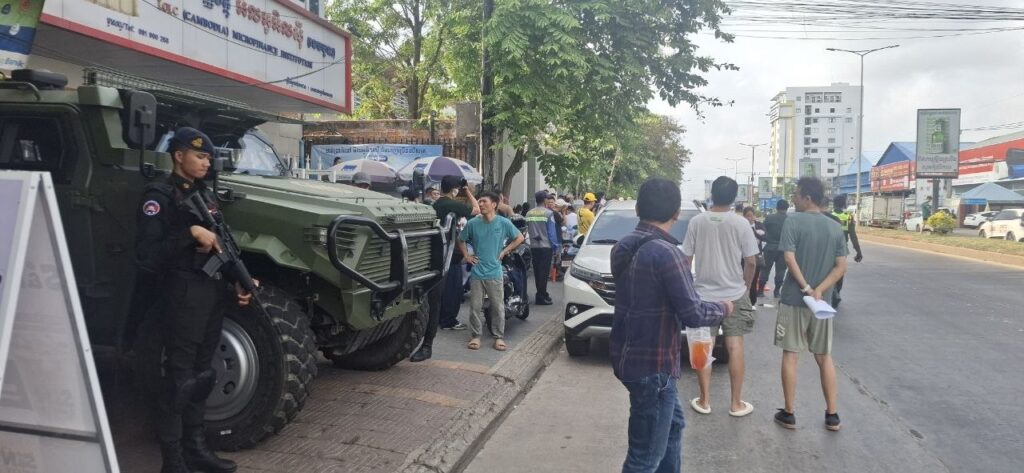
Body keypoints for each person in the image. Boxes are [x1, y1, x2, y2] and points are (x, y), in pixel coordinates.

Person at [136, 128, 251, 473]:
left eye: (208, 158)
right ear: (178, 155)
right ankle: (172, 460)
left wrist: (239, 281)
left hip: (210, 292)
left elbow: (221, 247)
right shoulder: (159, 196)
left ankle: (196, 449)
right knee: (180, 377)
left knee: (203, 374)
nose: (205, 162)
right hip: (182, 293)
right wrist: (189, 234)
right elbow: (148, 255)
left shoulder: (205, 195)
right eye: (199, 156)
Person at [610, 178, 734, 473]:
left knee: (674, 425)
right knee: (644, 458)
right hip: (655, 368)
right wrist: (723, 308)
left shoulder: (623, 247)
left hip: (630, 359)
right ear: (676, 213)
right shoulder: (668, 255)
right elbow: (692, 312)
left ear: (638, 208)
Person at [774, 177, 848, 432]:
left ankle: (789, 413)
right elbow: (841, 267)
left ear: (807, 197)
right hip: (822, 304)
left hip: (795, 299)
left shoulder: (793, 221)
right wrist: (820, 290)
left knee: (791, 355)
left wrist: (805, 287)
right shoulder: (835, 227)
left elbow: (788, 256)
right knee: (824, 357)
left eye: (796, 194)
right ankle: (832, 415)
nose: (793, 198)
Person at [681, 176, 759, 418]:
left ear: (712, 194)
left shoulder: (697, 222)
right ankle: (736, 404)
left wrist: (688, 287)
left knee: (704, 345)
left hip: (703, 295)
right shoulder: (741, 224)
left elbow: (686, 259)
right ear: (734, 197)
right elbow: (751, 261)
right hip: (735, 294)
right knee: (735, 346)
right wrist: (745, 286)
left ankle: (704, 401)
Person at [410, 176, 481, 362]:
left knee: (431, 301)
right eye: (459, 189)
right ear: (455, 189)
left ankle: (423, 343)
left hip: (429, 258)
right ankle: (427, 345)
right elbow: (477, 209)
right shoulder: (449, 203)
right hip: (440, 260)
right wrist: (467, 191)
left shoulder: (436, 204)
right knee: (435, 302)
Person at [458, 191, 525, 351]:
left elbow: (520, 238)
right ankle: (475, 336)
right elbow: (460, 239)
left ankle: (498, 337)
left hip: (495, 272)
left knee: (498, 306)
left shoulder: (503, 223)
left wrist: (504, 251)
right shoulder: (473, 223)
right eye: (479, 201)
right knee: (475, 306)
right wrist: (467, 256)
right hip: (477, 272)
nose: (480, 204)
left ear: (494, 204)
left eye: (484, 201)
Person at [827, 194, 863, 308]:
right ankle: (836, 292)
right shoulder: (848, 216)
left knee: (828, 272)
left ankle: (830, 292)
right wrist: (858, 251)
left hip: (829, 247)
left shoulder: (829, 215)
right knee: (839, 272)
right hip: (842, 248)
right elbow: (853, 236)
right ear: (844, 204)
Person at [526, 191, 560, 305]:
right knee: (544, 272)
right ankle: (540, 296)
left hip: (534, 246)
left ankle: (542, 293)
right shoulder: (548, 213)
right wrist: (556, 247)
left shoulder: (529, 213)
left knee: (537, 271)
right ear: (545, 200)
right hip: (546, 246)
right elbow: (551, 233)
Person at [759, 200, 790, 299]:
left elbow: (763, 232)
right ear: (787, 208)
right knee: (781, 271)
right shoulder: (790, 219)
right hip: (783, 249)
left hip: (770, 247)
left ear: (777, 207)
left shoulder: (769, 218)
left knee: (765, 269)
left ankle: (760, 291)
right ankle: (777, 292)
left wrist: (767, 239)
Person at [744, 206, 767, 305]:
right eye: (747, 216)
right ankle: (743, 302)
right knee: (742, 280)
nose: (749, 218)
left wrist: (754, 232)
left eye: (751, 216)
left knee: (753, 280)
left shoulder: (759, 225)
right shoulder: (741, 225)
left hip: (756, 256)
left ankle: (752, 302)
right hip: (742, 257)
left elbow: (765, 237)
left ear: (754, 216)